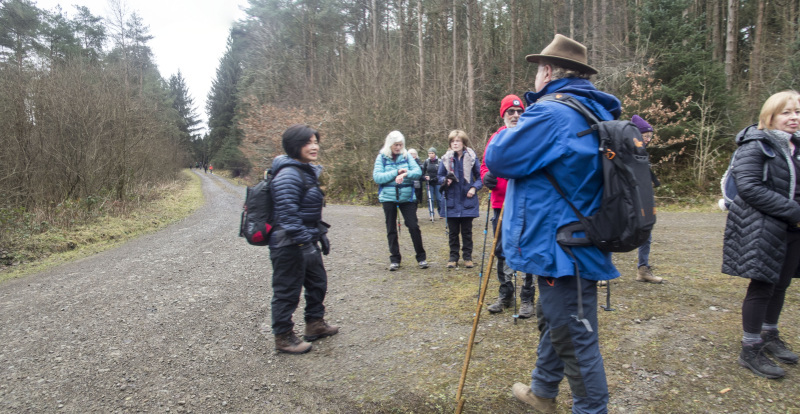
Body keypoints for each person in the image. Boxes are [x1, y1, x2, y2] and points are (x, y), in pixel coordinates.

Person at [485, 34, 620, 412]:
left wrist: (525, 115)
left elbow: (499, 158)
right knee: (555, 321)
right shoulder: (594, 110)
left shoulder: (551, 113)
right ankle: (543, 392)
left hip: (560, 245)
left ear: (546, 70)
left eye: (537, 72)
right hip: (578, 237)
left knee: (575, 338)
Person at [722, 90, 800, 379]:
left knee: (781, 285)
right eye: (786, 112)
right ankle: (750, 348)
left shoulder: (795, 146)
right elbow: (750, 188)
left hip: (791, 228)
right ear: (770, 116)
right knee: (763, 286)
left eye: (798, 112)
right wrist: (794, 211)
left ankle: (769, 334)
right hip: (763, 226)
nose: (794, 118)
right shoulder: (756, 145)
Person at [268, 124, 338, 354]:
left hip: (306, 240)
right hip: (289, 244)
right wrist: (304, 242)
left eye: (315, 141)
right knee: (287, 291)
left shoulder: (304, 170)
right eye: (308, 142)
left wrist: (317, 235)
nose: (314, 146)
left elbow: (306, 211)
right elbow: (288, 216)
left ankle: (314, 324)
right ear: (295, 146)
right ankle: (283, 336)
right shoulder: (288, 174)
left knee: (318, 283)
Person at [481, 94, 535, 318]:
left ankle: (527, 298)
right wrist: (485, 178)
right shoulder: (496, 138)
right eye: (510, 112)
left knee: (527, 249)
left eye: (519, 111)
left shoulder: (530, 137)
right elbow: (484, 166)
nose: (515, 115)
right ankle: (505, 294)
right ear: (503, 115)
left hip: (525, 204)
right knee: (501, 251)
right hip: (500, 204)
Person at [373, 131, 428, 271]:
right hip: (388, 198)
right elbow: (377, 177)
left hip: (407, 197)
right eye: (395, 145)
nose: (398, 147)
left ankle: (421, 257)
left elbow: (418, 172)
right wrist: (396, 172)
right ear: (390, 145)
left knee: (413, 226)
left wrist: (406, 173)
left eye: (400, 144)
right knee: (391, 228)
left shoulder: (407, 156)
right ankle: (395, 259)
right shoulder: (382, 158)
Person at [438, 130, 483, 269]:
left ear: (463, 143)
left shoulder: (472, 157)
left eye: (458, 141)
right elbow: (439, 177)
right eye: (452, 141)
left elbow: (480, 177)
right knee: (452, 232)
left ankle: (467, 257)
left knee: (467, 232)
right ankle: (453, 257)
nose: (455, 143)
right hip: (451, 201)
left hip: (467, 200)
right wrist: (445, 181)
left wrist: (474, 188)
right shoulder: (445, 159)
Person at [630, 115, 663, 284]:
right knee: (612, 231)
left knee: (646, 231)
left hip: (642, 197)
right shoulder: (626, 149)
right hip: (626, 198)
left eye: (650, 136)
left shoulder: (642, 152)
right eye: (646, 136)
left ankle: (643, 269)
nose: (649, 139)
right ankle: (600, 273)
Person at [422, 147, 443, 218]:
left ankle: (441, 213)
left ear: (435, 153)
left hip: (437, 183)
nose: (430, 155)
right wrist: (425, 177)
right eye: (429, 153)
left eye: (432, 153)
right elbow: (423, 172)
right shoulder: (426, 162)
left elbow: (441, 173)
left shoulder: (439, 161)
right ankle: (431, 214)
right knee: (430, 199)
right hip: (429, 183)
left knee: (439, 199)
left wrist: (435, 179)